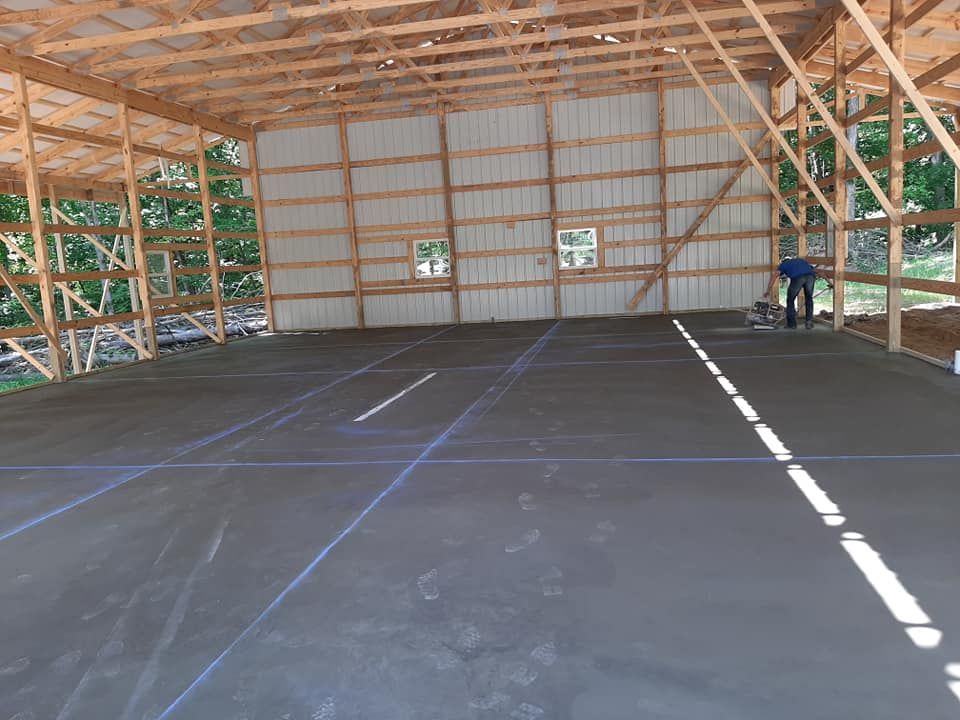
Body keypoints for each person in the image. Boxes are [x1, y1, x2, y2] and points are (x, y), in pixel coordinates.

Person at [765, 257, 818, 329]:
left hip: (798, 278)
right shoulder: (801, 261)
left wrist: (768, 290)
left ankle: (792, 324)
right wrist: (829, 282)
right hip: (811, 277)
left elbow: (774, 276)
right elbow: (816, 270)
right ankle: (809, 322)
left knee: (790, 300)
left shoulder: (783, 264)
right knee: (809, 299)